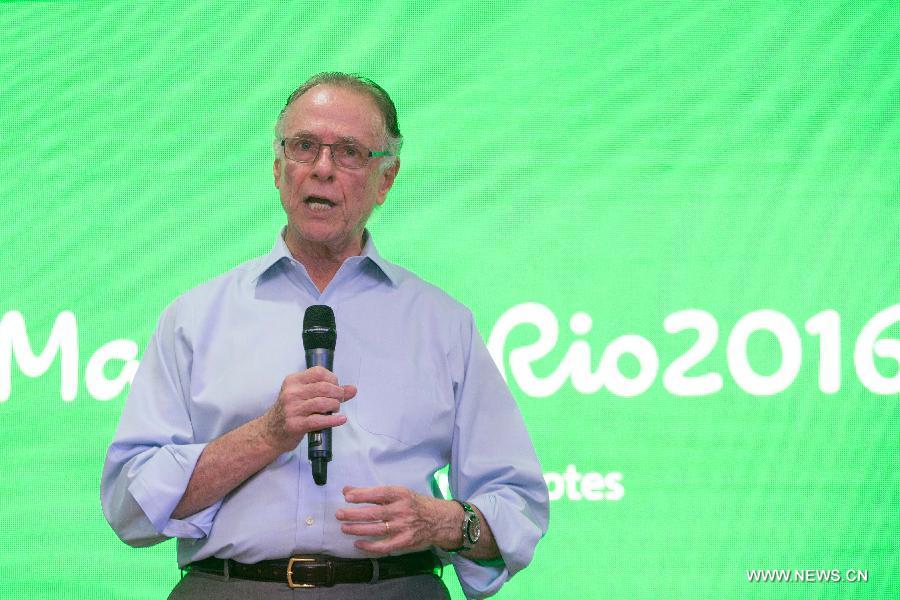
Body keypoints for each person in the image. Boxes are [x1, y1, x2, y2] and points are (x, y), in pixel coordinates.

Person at [101, 72, 549, 599]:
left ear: (387, 179)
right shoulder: (194, 317)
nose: (321, 168)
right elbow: (130, 508)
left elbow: (516, 504)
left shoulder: (443, 323)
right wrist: (265, 435)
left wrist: (444, 523)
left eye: (350, 152)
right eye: (304, 146)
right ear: (277, 167)